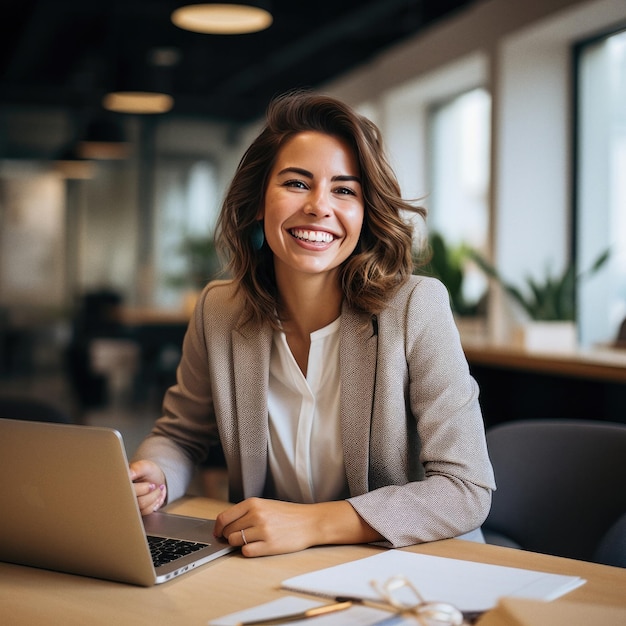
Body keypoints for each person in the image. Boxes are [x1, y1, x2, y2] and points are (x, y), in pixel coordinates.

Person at [130, 90, 495, 557]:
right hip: (272, 565)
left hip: (407, 566)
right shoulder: (219, 310)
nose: (319, 206)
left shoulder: (416, 307)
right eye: (297, 183)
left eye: (344, 190)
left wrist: (314, 523)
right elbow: (180, 436)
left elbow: (466, 487)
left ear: (365, 214)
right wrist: (154, 475)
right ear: (260, 201)